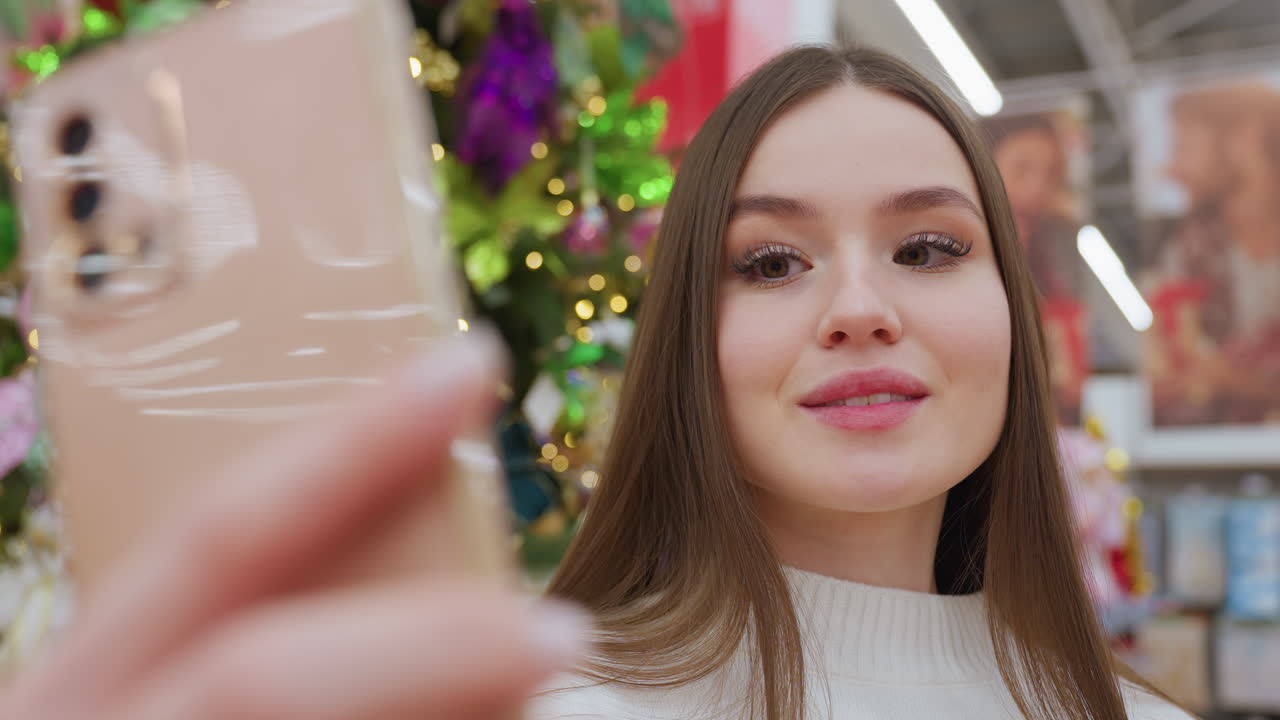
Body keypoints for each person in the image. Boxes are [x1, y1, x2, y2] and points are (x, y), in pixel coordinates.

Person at [0, 46, 1190, 720]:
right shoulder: (522, 702)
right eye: (769, 261)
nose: (859, 308)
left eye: (926, 247)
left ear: (1008, 320)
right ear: (686, 343)